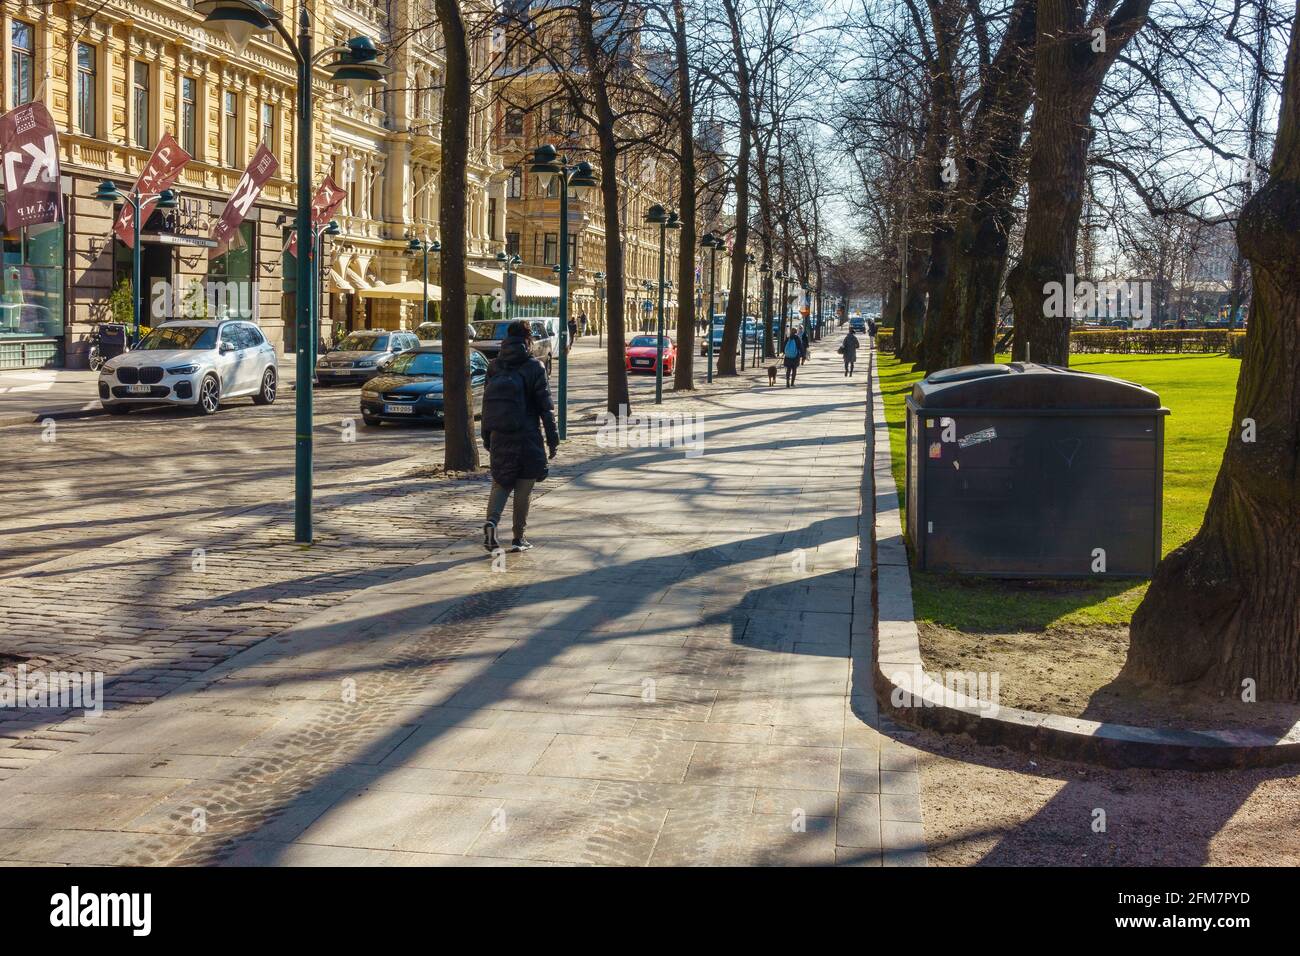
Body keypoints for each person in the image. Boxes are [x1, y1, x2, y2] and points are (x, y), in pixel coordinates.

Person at [481, 320, 559, 553]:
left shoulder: (494, 366)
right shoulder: (535, 367)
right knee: (524, 489)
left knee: (501, 482)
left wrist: (487, 436)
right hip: (527, 436)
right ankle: (518, 538)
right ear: (529, 339)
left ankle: (491, 524)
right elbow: (545, 407)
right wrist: (552, 440)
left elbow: (487, 405)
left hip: (499, 435)